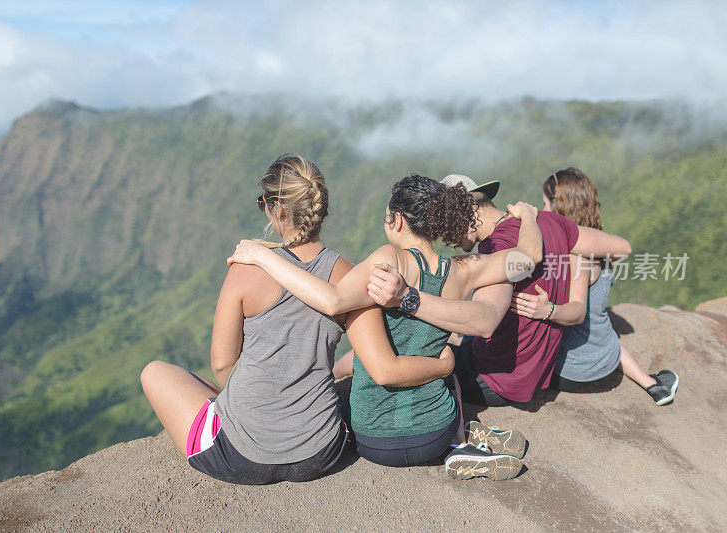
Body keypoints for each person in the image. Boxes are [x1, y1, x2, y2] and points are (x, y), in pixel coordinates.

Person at [141, 155, 456, 485]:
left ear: (276, 209)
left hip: (242, 455)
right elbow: (381, 364)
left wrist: (261, 412)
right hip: (322, 452)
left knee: (154, 372)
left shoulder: (246, 270)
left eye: (263, 202)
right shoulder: (350, 277)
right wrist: (443, 364)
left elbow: (222, 364)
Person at [229, 174, 542, 480]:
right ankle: (460, 442)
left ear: (399, 221)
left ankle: (465, 439)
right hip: (435, 434)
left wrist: (264, 256)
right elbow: (529, 257)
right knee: (447, 358)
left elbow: (334, 300)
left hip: (374, 441)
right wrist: (528, 217)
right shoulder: (466, 270)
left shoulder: (390, 259)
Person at [364, 173, 634, 408]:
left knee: (420, 351)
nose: (447, 236)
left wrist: (407, 297)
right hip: (540, 370)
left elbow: (485, 321)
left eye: (448, 222)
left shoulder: (496, 248)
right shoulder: (550, 221)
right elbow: (621, 248)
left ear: (468, 210)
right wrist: (584, 275)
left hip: (497, 379)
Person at [509, 167, 679, 405]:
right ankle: (652, 385)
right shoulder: (598, 247)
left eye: (547, 203)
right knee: (603, 327)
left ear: (561, 207)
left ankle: (652, 384)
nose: (544, 210)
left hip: (568, 372)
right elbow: (621, 252)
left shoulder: (572, 257)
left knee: (596, 324)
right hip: (606, 360)